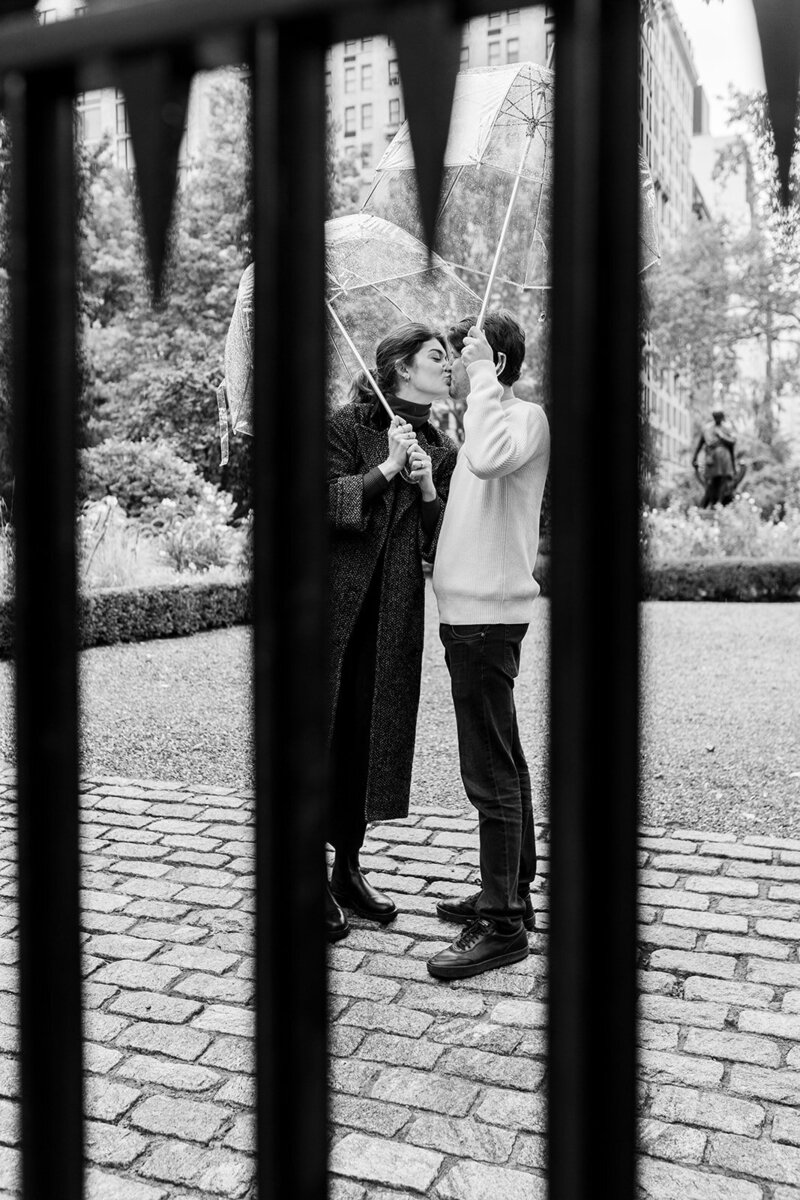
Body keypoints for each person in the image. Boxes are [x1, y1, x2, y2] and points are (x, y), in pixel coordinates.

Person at [426, 311, 550, 980]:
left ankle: (501, 926)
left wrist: (480, 379)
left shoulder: (519, 420)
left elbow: (492, 456)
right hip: (469, 617)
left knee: (489, 771)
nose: (449, 368)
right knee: (504, 758)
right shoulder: (483, 421)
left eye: (459, 356)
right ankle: (511, 893)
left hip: (484, 622)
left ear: (495, 364)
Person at [326, 323, 458, 941]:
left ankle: (346, 869)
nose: (448, 366)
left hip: (393, 615)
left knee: (365, 737)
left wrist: (427, 484)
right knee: (323, 734)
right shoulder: (345, 426)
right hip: (333, 613)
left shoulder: (439, 446)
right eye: (437, 357)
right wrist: (386, 468)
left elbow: (443, 543)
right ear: (402, 367)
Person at [692, 409, 737, 508]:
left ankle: (719, 502)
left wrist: (721, 436)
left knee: (724, 479)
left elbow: (733, 442)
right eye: (715, 417)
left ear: (722, 417)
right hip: (711, 457)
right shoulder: (707, 428)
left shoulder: (727, 428)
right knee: (711, 480)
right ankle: (712, 502)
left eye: (719, 417)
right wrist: (694, 457)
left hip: (724, 456)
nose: (717, 419)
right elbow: (700, 443)